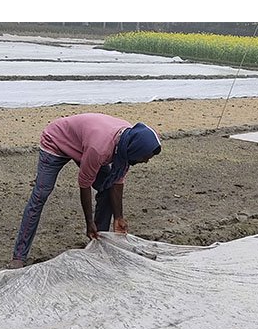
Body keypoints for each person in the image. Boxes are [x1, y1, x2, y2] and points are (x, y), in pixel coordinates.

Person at [8, 113, 162, 269]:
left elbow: (117, 181)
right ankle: (19, 256)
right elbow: (84, 184)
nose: (145, 161)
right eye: (145, 157)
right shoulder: (100, 149)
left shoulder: (126, 143)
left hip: (84, 145)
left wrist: (118, 217)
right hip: (56, 141)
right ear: (136, 149)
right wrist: (89, 222)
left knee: (108, 190)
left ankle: (98, 243)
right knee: (40, 195)